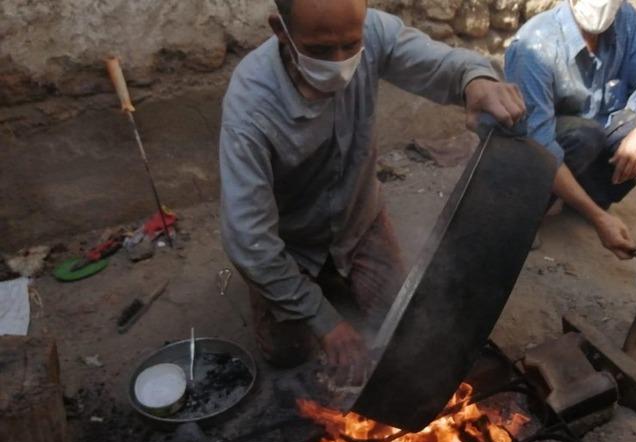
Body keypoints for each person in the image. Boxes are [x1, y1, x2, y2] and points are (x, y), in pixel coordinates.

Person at [219, 0, 525, 373]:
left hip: (357, 219)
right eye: (319, 50)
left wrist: (476, 79)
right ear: (280, 30)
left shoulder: (374, 32)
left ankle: (334, 274)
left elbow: (443, 64)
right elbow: (249, 240)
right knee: (288, 354)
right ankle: (309, 284)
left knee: (401, 324)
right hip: (291, 242)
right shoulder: (250, 106)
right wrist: (325, 322)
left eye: (351, 45)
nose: (339, 61)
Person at [505, 0, 636, 260]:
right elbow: (537, 145)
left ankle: (582, 201)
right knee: (583, 135)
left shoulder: (626, 22)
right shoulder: (534, 46)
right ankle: (528, 214)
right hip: (536, 151)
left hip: (592, 138)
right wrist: (600, 219)